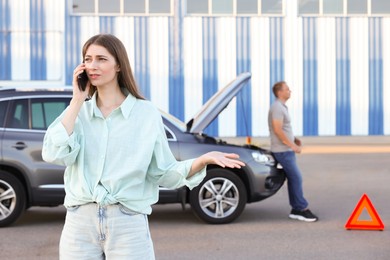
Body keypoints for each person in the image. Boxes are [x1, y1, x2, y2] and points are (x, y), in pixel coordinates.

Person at [42, 33, 245, 259]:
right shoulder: (79, 113)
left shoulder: (146, 113)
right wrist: (77, 100)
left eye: (101, 59)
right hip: (80, 223)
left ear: (119, 64)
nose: (93, 66)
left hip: (127, 222)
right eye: (88, 59)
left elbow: (163, 172)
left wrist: (202, 160)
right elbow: (53, 153)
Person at [268, 81, 318, 222]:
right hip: (283, 150)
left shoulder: (281, 107)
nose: (290, 91)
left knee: (293, 178)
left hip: (286, 148)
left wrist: (293, 139)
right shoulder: (277, 107)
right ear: (279, 92)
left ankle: (296, 208)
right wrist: (292, 145)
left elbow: (283, 128)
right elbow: (277, 129)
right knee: (296, 178)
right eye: (287, 89)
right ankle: (300, 209)